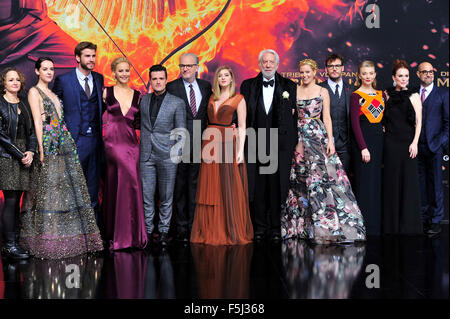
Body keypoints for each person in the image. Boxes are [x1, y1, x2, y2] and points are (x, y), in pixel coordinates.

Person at [21, 57, 103, 259]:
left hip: (64, 142)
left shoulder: (52, 93)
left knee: (62, 191)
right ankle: (46, 241)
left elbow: (56, 118)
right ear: (37, 71)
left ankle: (63, 240)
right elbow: (38, 123)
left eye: (52, 69)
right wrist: (41, 148)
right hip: (49, 143)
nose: (49, 72)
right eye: (45, 69)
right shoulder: (34, 92)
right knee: (47, 191)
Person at [281, 59, 365, 243]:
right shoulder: (294, 90)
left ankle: (327, 227)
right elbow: (291, 116)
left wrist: (331, 141)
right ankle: (303, 229)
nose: (304, 75)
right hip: (299, 137)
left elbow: (327, 117)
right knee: (300, 181)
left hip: (318, 137)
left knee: (322, 180)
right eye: (301, 72)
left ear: (315, 72)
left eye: (307, 72)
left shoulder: (322, 91)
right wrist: (295, 140)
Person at [190, 66, 253, 245]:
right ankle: (209, 229)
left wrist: (240, 151)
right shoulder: (212, 97)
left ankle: (229, 229)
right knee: (211, 187)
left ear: (232, 79)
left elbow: (242, 127)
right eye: (220, 76)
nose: (223, 78)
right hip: (209, 144)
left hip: (227, 144)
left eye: (226, 75)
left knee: (228, 187)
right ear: (216, 79)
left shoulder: (239, 99)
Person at [240, 49, 297, 243]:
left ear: (277, 64)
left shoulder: (289, 85)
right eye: (264, 61)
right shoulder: (248, 86)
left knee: (276, 187)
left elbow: (294, 118)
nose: (268, 65)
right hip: (255, 142)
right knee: (258, 187)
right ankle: (259, 227)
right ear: (259, 64)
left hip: (279, 145)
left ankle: (275, 227)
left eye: (271, 62)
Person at [53, 41, 105, 220]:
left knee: (93, 187)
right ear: (77, 58)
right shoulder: (63, 80)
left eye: (93, 56)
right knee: (71, 186)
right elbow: (54, 112)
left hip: (95, 142)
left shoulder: (99, 79)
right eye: (87, 56)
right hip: (73, 141)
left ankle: (92, 231)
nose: (91, 60)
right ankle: (70, 231)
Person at [101, 57, 147, 250]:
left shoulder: (138, 95)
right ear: (113, 72)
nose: (124, 74)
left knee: (132, 187)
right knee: (114, 187)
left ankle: (133, 236)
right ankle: (116, 236)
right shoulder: (106, 92)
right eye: (120, 71)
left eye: (127, 70)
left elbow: (138, 124)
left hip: (131, 146)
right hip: (112, 145)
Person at [166, 53, 212, 243]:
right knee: (179, 186)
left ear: (196, 67)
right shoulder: (172, 87)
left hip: (200, 144)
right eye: (182, 66)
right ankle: (181, 228)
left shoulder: (205, 86)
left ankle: (194, 226)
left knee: (195, 185)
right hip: (178, 144)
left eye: (188, 66)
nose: (184, 69)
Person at [139, 64, 186, 247]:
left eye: (161, 78)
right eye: (154, 79)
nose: (158, 82)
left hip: (168, 156)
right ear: (150, 81)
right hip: (146, 156)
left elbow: (181, 132)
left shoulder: (177, 102)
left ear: (166, 80)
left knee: (166, 196)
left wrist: (176, 156)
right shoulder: (143, 100)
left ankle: (164, 232)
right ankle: (149, 232)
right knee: (147, 196)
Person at [382, 60, 423, 234]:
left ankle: (409, 226)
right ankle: (392, 226)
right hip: (391, 143)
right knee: (392, 183)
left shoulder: (414, 95)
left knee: (408, 184)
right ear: (394, 77)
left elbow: (419, 122)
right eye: (400, 76)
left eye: (406, 76)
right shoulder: (386, 94)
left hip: (408, 144)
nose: (404, 79)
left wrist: (414, 143)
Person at [0, 67, 36, 259]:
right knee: (11, 200)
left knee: (18, 200)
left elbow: (31, 131)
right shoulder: (0, 103)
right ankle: (9, 245)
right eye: (10, 80)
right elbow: (1, 137)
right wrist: (20, 154)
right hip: (7, 157)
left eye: (17, 80)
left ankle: (13, 244)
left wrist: (31, 151)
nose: (15, 83)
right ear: (3, 83)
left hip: (24, 155)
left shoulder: (24, 103)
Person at [350, 60, 386, 236]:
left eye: (371, 73)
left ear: (375, 75)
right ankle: (362, 227)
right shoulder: (356, 95)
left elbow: (385, 118)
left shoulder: (381, 94)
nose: (368, 76)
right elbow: (355, 124)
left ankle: (375, 226)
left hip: (379, 143)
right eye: (364, 73)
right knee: (364, 184)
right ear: (359, 75)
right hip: (363, 143)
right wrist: (363, 147)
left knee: (376, 183)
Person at [416, 62, 449, 236]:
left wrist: (439, 143)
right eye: (425, 72)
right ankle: (423, 218)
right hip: (416, 148)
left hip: (434, 148)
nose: (428, 74)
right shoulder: (413, 94)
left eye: (431, 72)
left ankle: (436, 221)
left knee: (436, 185)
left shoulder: (443, 94)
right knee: (420, 185)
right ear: (418, 74)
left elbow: (448, 123)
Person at [319, 53, 354, 174]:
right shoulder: (319, 89)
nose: (334, 69)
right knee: (327, 179)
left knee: (344, 180)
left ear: (343, 68)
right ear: (326, 69)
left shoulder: (351, 89)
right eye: (331, 66)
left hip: (345, 144)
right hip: (325, 144)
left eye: (337, 66)